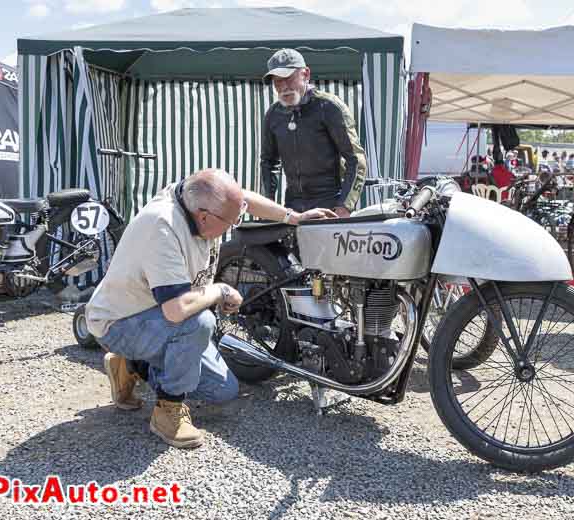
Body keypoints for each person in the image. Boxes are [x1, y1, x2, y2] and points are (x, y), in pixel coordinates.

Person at [84, 169, 336, 448]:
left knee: (222, 390)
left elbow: (241, 199)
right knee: (200, 322)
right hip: (120, 322)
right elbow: (177, 310)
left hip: (157, 318)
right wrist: (220, 290)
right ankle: (167, 412)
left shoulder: (198, 198)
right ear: (204, 216)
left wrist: (293, 217)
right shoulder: (162, 225)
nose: (234, 226)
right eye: (231, 222)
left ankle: (132, 365)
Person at [260, 48, 367, 218]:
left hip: (330, 205)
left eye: (289, 78)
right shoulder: (273, 115)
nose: (284, 87)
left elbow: (356, 159)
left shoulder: (329, 107)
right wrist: (268, 206)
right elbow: (268, 163)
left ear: (306, 74)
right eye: (277, 81)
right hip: (293, 208)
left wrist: (345, 205)